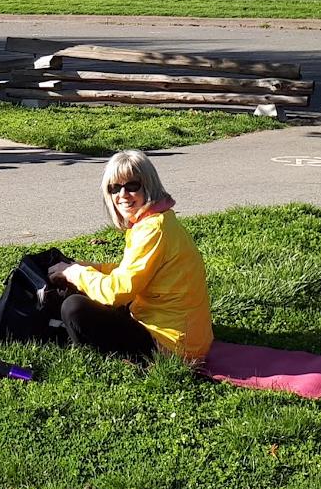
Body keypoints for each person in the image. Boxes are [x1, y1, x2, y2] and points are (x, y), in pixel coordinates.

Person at [47, 150, 212, 363]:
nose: (122, 195)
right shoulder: (157, 221)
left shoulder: (154, 230)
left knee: (74, 308)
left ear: (149, 185)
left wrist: (76, 273)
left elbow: (117, 292)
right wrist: (88, 267)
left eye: (132, 185)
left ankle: (100, 354)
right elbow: (132, 272)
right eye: (114, 188)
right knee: (85, 292)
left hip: (174, 348)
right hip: (186, 337)